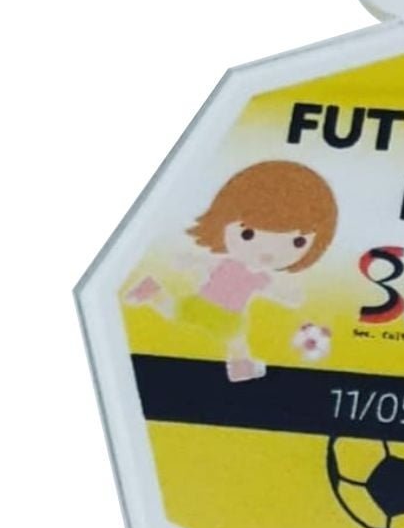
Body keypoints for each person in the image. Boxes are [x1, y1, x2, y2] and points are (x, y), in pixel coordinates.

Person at [125, 160, 337, 381]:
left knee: (182, 315)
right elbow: (207, 263)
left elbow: (274, 291)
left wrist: (289, 297)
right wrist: (189, 260)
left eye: (297, 242)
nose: (268, 252)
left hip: (215, 311)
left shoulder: (255, 275)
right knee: (233, 340)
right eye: (248, 234)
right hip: (216, 311)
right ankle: (240, 367)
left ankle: (152, 291)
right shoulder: (237, 268)